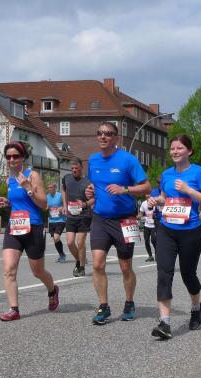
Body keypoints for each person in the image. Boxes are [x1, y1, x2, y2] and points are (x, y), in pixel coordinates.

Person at [147, 134, 201, 339]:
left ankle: (196, 308)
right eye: (172, 149)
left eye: (179, 148)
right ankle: (165, 323)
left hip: (190, 231)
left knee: (188, 275)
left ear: (189, 151)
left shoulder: (200, 173)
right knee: (164, 273)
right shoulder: (166, 174)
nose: (175, 152)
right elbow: (165, 199)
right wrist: (155, 200)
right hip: (167, 229)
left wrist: (188, 190)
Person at [85, 121, 150, 325]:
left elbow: (147, 187)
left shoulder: (128, 160)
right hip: (100, 218)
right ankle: (103, 306)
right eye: (100, 133)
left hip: (125, 219)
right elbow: (93, 185)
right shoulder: (93, 160)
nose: (103, 137)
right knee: (97, 264)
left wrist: (125, 189)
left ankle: (129, 302)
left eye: (108, 133)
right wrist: (90, 191)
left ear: (116, 138)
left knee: (125, 266)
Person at [0, 141, 59, 320]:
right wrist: (8, 202)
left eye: (15, 156)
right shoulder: (9, 178)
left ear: (23, 157)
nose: (12, 159)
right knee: (9, 269)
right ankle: (14, 309)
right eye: (8, 157)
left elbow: (43, 204)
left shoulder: (32, 175)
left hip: (33, 227)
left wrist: (29, 188)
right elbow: (20, 203)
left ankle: (52, 290)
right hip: (14, 226)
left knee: (38, 271)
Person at [62, 158, 93, 276]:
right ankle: (79, 260)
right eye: (72, 168)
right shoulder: (66, 178)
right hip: (71, 215)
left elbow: (95, 198)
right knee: (70, 242)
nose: (74, 170)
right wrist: (64, 205)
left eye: (76, 168)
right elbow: (64, 190)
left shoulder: (88, 182)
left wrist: (85, 204)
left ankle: (81, 268)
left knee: (80, 242)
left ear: (81, 168)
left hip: (84, 215)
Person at [46, 182, 67, 263]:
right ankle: (61, 255)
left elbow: (66, 204)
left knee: (56, 237)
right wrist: (46, 208)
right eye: (48, 187)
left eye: (51, 187)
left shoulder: (60, 195)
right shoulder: (47, 196)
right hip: (52, 220)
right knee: (55, 240)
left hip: (61, 220)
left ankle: (62, 255)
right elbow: (45, 207)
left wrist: (62, 208)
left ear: (55, 188)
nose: (49, 189)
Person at [139, 193, 157, 262]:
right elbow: (141, 213)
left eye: (149, 194)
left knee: (153, 240)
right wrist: (138, 216)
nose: (148, 195)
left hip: (154, 225)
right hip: (147, 225)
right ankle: (150, 256)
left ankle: (157, 254)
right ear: (145, 196)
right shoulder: (143, 203)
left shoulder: (155, 202)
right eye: (146, 194)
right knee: (146, 241)